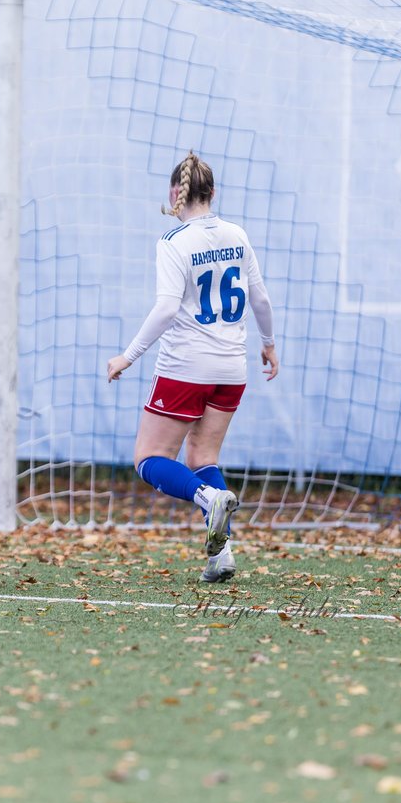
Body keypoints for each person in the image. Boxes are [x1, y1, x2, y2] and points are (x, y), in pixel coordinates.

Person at [106, 151, 279, 583]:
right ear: (213, 193)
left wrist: (129, 355)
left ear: (174, 193)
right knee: (203, 456)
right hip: (232, 368)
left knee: (149, 459)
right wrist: (270, 345)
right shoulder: (237, 234)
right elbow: (260, 299)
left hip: (186, 367)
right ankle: (221, 556)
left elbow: (166, 309)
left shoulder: (174, 241)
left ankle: (205, 498)